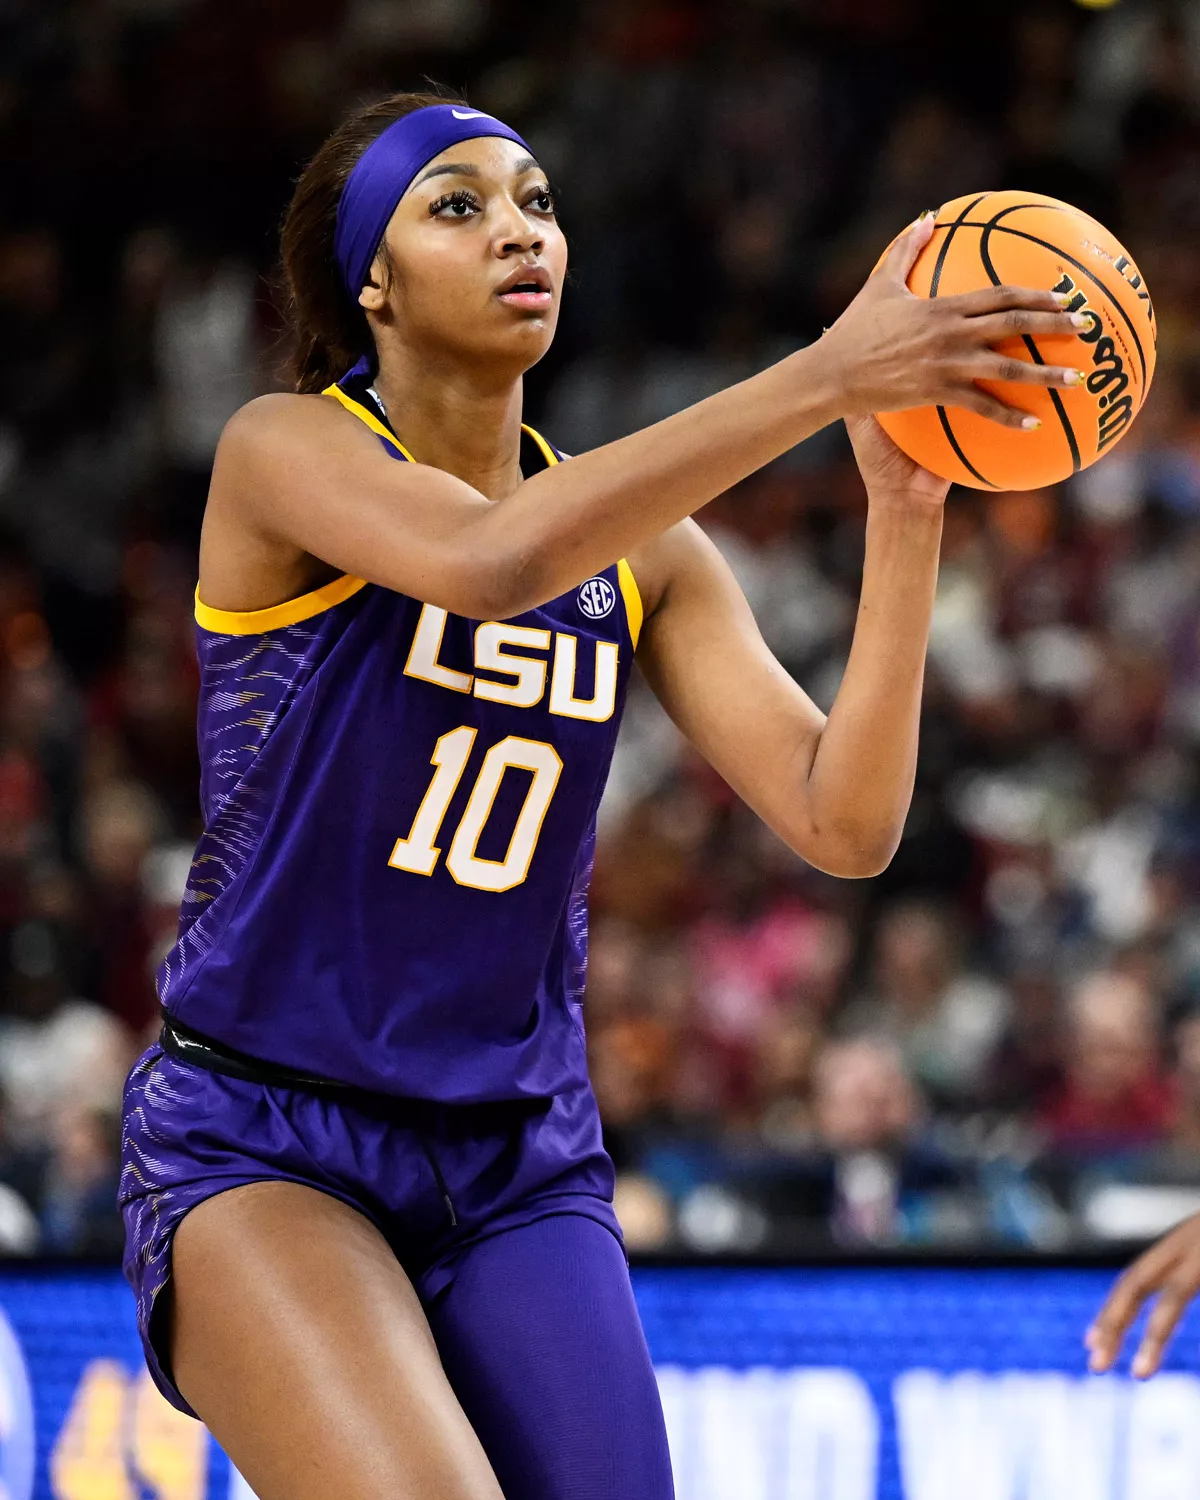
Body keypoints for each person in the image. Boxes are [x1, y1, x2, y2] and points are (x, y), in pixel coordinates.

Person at [118, 90, 1086, 1500]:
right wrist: (826, 375)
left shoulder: (654, 556)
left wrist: (904, 508)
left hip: (518, 1152)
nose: (519, 230)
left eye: (538, 202)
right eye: (459, 204)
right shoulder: (286, 452)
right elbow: (495, 560)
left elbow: (844, 818)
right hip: (263, 1130)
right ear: (368, 279)